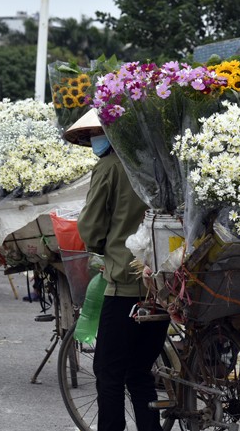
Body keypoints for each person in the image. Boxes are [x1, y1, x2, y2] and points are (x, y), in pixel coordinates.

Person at [64, 109, 170, 431]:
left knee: (109, 371)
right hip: (165, 282)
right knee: (139, 370)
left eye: (96, 135)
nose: (94, 141)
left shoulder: (109, 166)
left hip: (125, 284)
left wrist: (101, 246)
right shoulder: (161, 164)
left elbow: (91, 228)